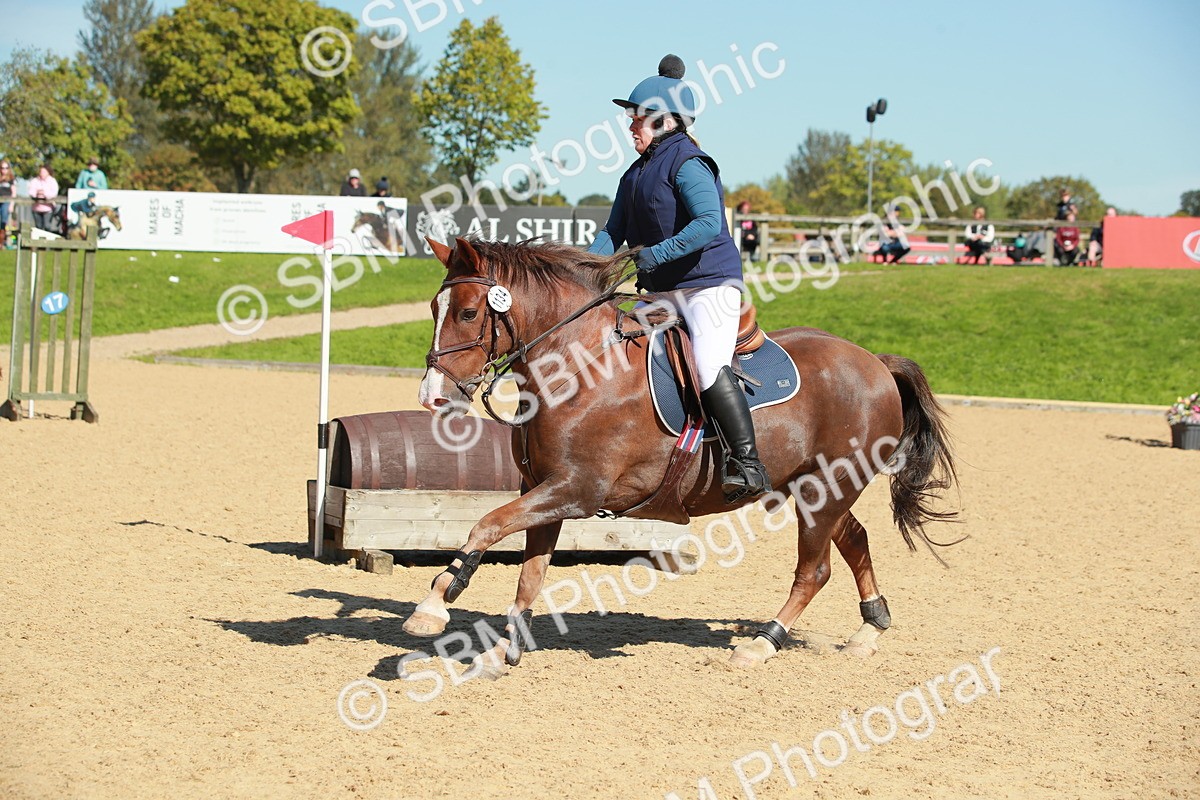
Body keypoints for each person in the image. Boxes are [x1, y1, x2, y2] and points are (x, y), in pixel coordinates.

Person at [587, 54, 770, 503]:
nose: (631, 126)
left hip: (709, 286)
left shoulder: (689, 162)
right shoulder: (633, 175)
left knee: (708, 366)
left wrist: (656, 254)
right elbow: (612, 233)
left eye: (638, 117)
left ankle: (746, 463)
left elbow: (708, 223)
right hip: (663, 293)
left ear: (666, 120)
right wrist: (583, 271)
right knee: (612, 346)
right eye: (631, 118)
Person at [28, 164, 59, 233]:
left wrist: (44, 193)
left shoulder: (52, 181)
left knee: (47, 226)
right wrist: (37, 193)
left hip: (48, 208)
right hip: (36, 208)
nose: (42, 173)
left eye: (44, 172)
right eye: (41, 172)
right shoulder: (35, 180)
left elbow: (54, 193)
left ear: (48, 172)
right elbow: (31, 191)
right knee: (38, 227)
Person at [0, 159, 14, 245]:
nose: (4, 170)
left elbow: (13, 192)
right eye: (2, 168)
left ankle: (1, 242)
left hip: (6, 202)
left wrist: (12, 204)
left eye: (6, 168)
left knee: (3, 222)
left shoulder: (11, 179)